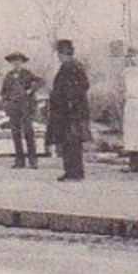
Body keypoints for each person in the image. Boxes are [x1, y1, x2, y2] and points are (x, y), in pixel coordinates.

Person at [46, 39, 92, 182]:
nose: (60, 56)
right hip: (67, 110)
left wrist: (69, 98)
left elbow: (83, 85)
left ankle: (75, 172)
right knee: (68, 142)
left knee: (72, 142)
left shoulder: (73, 67)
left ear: (67, 54)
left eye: (61, 53)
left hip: (71, 111)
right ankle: (71, 171)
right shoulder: (69, 67)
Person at [0, 52, 45, 169]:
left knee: (29, 133)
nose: (16, 63)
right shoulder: (9, 76)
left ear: (22, 62)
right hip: (13, 107)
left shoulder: (27, 74)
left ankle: (33, 161)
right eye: (14, 61)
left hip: (25, 107)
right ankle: (19, 161)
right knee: (15, 134)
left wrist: (31, 90)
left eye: (18, 60)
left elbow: (41, 81)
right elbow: (3, 91)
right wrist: (6, 99)